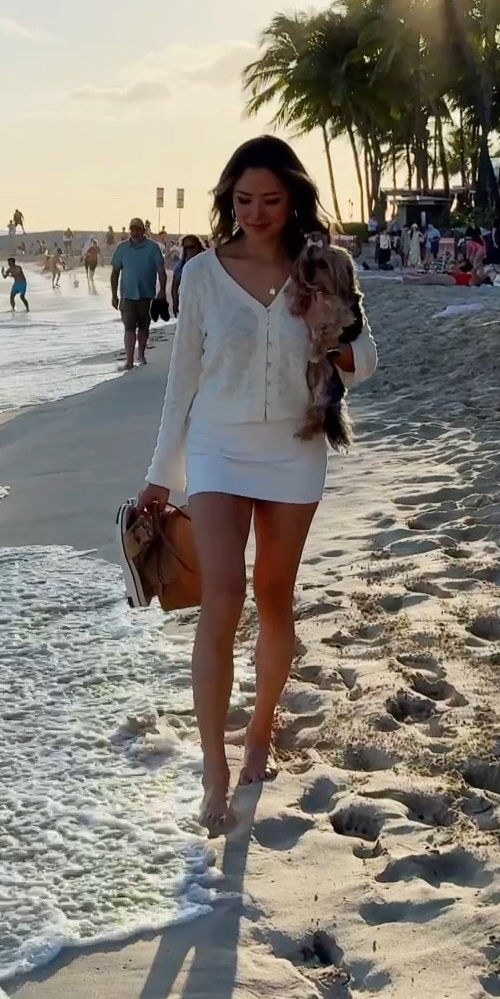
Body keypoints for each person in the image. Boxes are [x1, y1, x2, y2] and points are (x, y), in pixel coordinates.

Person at [135, 135, 377, 833]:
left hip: (295, 449)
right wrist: (161, 475)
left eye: (271, 200)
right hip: (216, 448)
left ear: (293, 199)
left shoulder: (326, 267)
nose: (257, 212)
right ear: (228, 200)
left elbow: (365, 362)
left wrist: (328, 330)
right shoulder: (204, 275)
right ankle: (213, 765)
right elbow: (182, 381)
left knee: (274, 596)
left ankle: (261, 731)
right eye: (244, 200)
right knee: (223, 596)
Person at [111, 217, 168, 370]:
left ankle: (141, 355)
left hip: (146, 295)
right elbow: (115, 272)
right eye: (132, 229)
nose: (134, 232)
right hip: (127, 296)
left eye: (137, 229)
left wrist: (162, 291)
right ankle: (129, 361)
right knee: (129, 328)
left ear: (144, 231)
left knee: (144, 327)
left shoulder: (152, 247)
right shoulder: (122, 248)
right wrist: (113, 295)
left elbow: (161, 271)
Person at [171, 233, 204, 316]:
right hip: (187, 304)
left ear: (198, 246)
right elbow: (175, 285)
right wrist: (175, 303)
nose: (189, 250)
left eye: (191, 247)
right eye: (186, 248)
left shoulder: (207, 261)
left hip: (204, 304)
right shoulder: (182, 265)